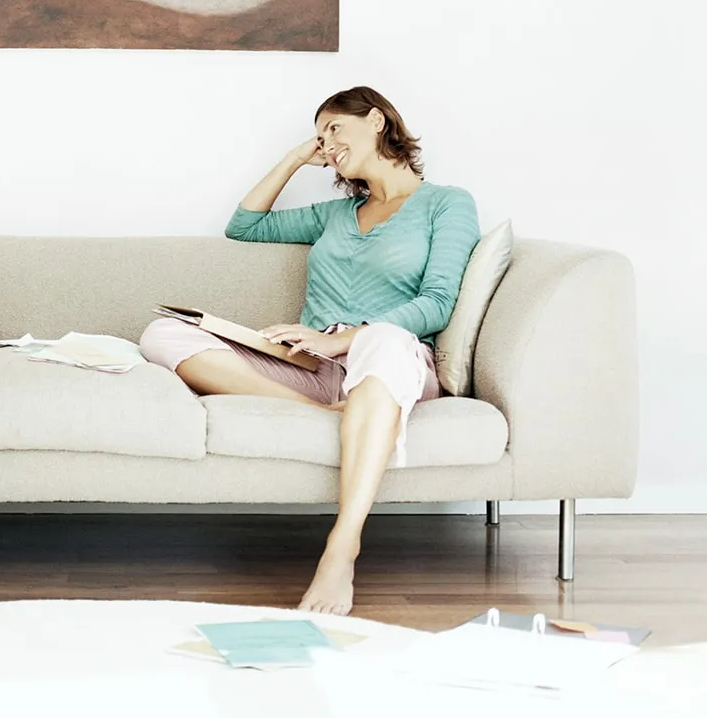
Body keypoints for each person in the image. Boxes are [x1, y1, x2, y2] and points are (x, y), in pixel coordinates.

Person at [139, 86, 479, 616]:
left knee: (385, 340)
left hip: (387, 360)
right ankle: (322, 411)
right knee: (161, 335)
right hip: (314, 368)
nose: (327, 143)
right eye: (319, 137)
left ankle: (342, 548)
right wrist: (298, 157)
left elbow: (436, 303)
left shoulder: (446, 204)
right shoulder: (337, 214)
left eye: (334, 129)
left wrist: (346, 336)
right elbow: (244, 227)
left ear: (375, 120)